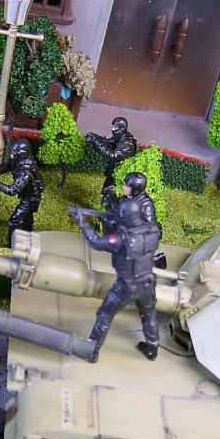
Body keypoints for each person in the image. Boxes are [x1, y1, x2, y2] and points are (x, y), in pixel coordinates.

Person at [71, 172, 161, 363]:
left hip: (126, 286)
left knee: (105, 315)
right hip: (147, 283)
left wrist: (82, 221)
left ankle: (92, 351)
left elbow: (95, 242)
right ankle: (152, 347)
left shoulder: (121, 238)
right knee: (148, 314)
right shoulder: (153, 231)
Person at [0, 139, 44, 247]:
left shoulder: (25, 172)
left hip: (30, 199)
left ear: (21, 154)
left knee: (14, 221)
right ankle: (29, 233)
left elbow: (12, 190)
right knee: (27, 217)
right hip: (26, 196)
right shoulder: (20, 161)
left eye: (14, 153)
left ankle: (10, 245)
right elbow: (6, 167)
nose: (11, 155)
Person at [84, 117, 137, 210]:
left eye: (115, 127)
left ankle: (110, 212)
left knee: (111, 193)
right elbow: (109, 142)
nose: (112, 129)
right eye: (113, 126)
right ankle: (106, 208)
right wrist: (95, 137)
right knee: (107, 190)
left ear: (122, 127)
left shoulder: (127, 143)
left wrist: (97, 143)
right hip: (115, 170)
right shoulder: (120, 136)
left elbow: (113, 155)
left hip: (120, 175)